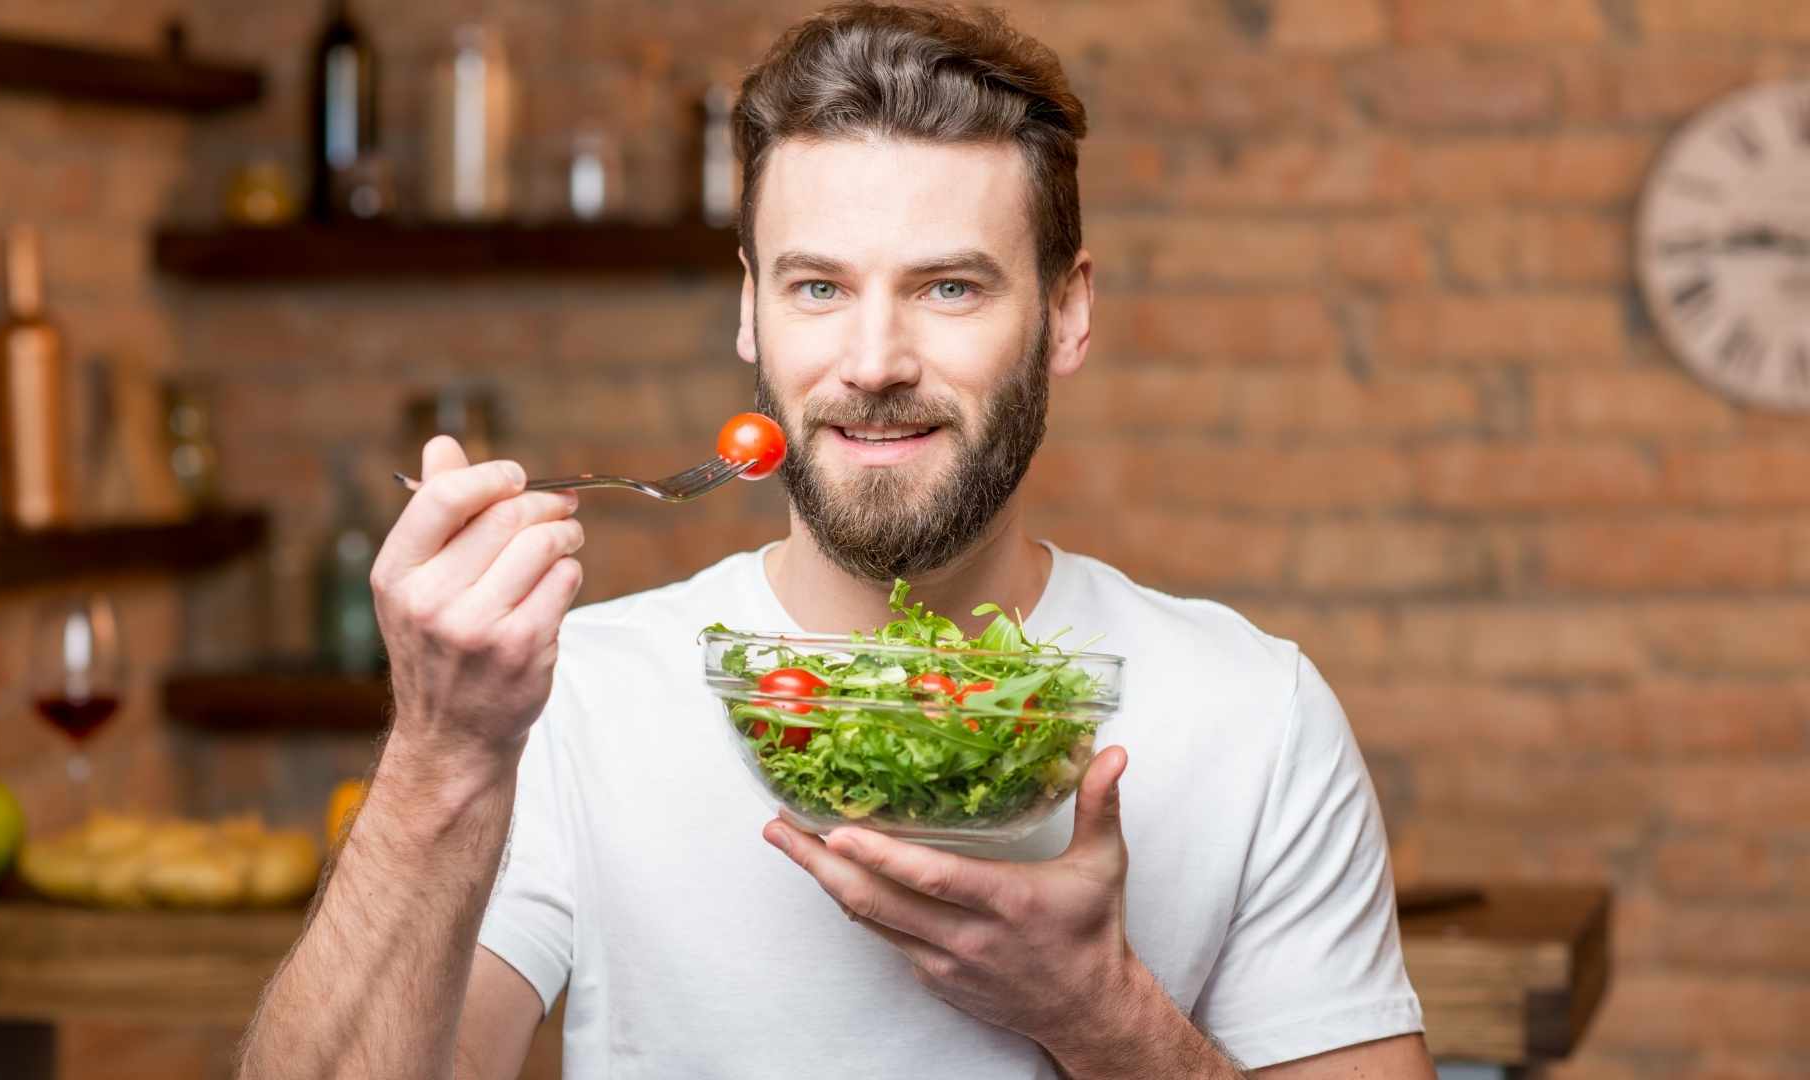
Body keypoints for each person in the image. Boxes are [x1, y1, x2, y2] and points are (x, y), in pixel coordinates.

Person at [236, 5, 1435, 1078]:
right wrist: (441, 754)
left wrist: (1101, 1016)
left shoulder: (1252, 714)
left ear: (1066, 313)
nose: (872, 362)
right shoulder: (574, 702)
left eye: (949, 288)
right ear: (748, 310)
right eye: (818, 289)